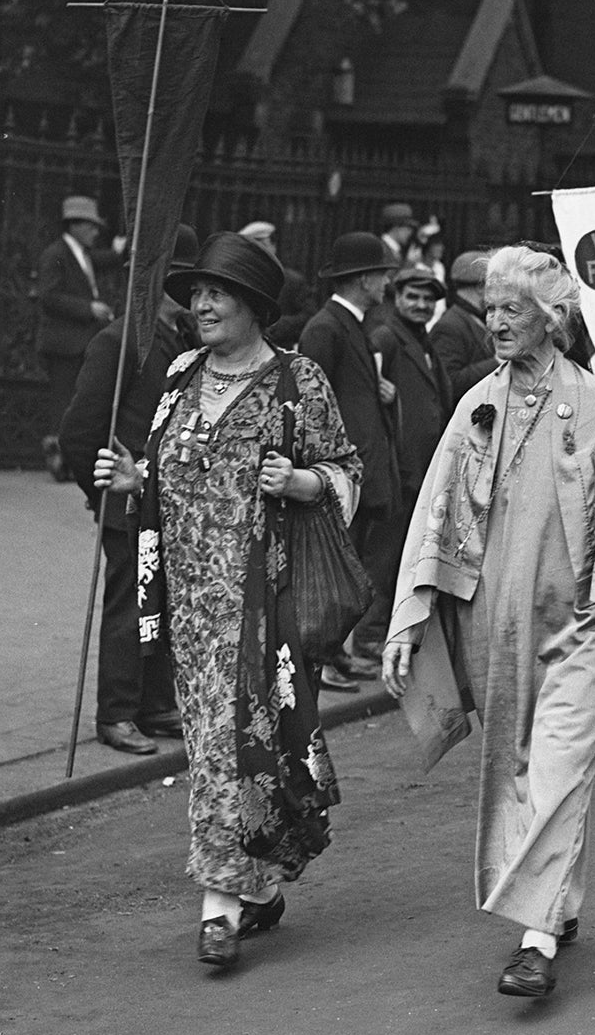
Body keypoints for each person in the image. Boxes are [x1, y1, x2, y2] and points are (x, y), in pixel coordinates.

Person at [382, 244, 595, 1000]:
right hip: (496, 627)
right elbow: (433, 519)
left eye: (511, 309)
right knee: (519, 770)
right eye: (488, 308)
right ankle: (557, 900)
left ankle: (536, 941)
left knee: (557, 768)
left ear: (551, 318)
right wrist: (407, 618)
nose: (494, 322)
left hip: (580, 626)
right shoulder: (475, 404)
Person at [94, 231, 362, 969]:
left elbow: (347, 470)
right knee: (219, 746)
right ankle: (242, 896)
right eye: (197, 293)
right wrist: (134, 478)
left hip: (260, 602)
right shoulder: (181, 375)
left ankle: (227, 902)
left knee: (244, 748)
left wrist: (304, 484)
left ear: (253, 306)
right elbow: (173, 476)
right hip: (190, 603)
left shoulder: (297, 382)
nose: (202, 304)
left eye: (217, 293)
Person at [58, 226, 198, 758]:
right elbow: (79, 430)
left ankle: (155, 703)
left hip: (162, 496)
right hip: (127, 498)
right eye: (183, 283)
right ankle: (116, 713)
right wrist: (100, 494)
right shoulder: (120, 341)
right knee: (126, 605)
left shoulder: (179, 339)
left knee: (160, 601)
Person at [301, 231, 403, 687]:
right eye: (383, 274)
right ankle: (319, 661)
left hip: (359, 469)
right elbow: (312, 405)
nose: (386, 284)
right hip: (340, 472)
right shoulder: (326, 327)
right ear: (364, 278)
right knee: (333, 569)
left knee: (350, 566)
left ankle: (334, 656)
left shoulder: (350, 323)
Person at [358, 264, 453, 667]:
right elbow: (365, 389)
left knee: (401, 555)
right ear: (397, 298)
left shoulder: (422, 339)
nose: (420, 305)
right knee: (384, 556)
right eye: (412, 297)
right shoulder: (386, 336)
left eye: (428, 299)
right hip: (399, 467)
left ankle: (379, 634)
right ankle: (365, 637)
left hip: (420, 465)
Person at [35, 195, 115, 480]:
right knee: (63, 401)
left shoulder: (81, 253)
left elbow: (109, 258)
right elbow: (48, 296)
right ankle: (58, 460)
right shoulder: (55, 254)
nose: (96, 231)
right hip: (63, 342)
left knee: (73, 401)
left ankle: (67, 458)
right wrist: (88, 308)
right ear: (75, 225)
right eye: (91, 226)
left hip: (76, 341)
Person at [429, 249, 496, 394]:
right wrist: (498, 361)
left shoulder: (470, 318)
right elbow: (449, 382)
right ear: (480, 287)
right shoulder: (448, 326)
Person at [245, 220, 316, 346]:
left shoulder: (292, 281)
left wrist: (278, 325)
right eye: (253, 247)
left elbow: (309, 316)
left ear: (274, 246)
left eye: (263, 245)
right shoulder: (241, 279)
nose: (259, 251)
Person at [378, 202, 417, 267]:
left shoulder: (395, 250)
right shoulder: (381, 249)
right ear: (396, 227)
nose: (410, 232)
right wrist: (409, 263)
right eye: (407, 228)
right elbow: (389, 276)